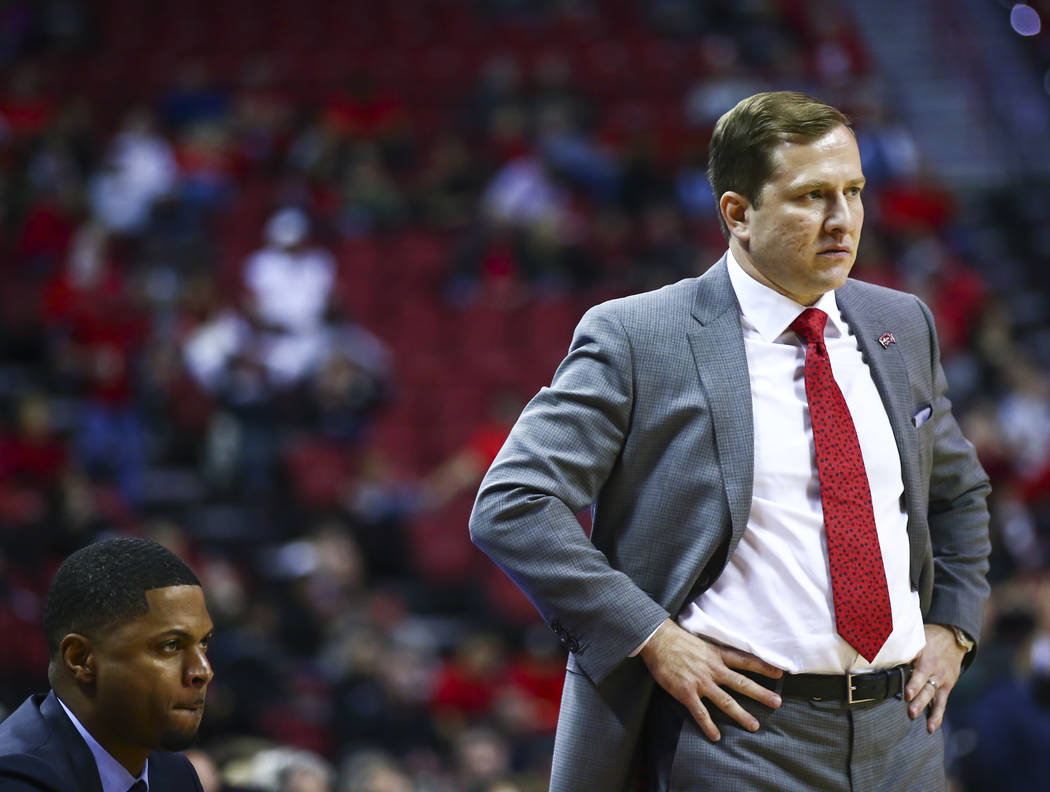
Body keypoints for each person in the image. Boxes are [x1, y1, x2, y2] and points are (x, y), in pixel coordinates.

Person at [469, 91, 991, 791]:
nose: (842, 221)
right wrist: (651, 637)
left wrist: (953, 627)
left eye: (854, 192)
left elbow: (958, 495)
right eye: (811, 197)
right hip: (739, 739)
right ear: (738, 214)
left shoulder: (901, 322)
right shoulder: (638, 337)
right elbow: (512, 502)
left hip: (905, 735)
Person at [0, 537, 214, 791]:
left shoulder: (175, 773)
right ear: (81, 659)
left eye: (203, 643)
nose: (203, 671)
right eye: (171, 645)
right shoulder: (14, 778)